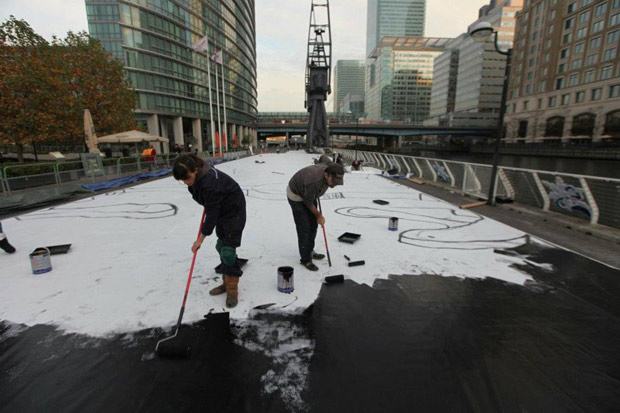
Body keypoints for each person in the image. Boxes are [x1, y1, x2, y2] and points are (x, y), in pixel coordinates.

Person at [172, 154, 246, 307]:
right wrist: (209, 202)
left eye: (187, 178)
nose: (186, 183)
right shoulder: (198, 177)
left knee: (227, 249)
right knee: (221, 246)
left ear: (195, 170)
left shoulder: (211, 183)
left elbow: (211, 215)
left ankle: (232, 288)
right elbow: (209, 205)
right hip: (221, 209)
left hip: (233, 211)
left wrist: (200, 239)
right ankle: (227, 280)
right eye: (182, 180)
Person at [287, 162, 345, 271]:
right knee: (304, 227)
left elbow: (324, 159)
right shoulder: (313, 182)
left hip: (310, 193)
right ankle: (305, 259)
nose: (335, 184)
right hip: (296, 196)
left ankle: (310, 250)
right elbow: (308, 202)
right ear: (326, 175)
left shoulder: (328, 170)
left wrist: (317, 216)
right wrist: (319, 215)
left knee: (313, 225)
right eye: (334, 181)